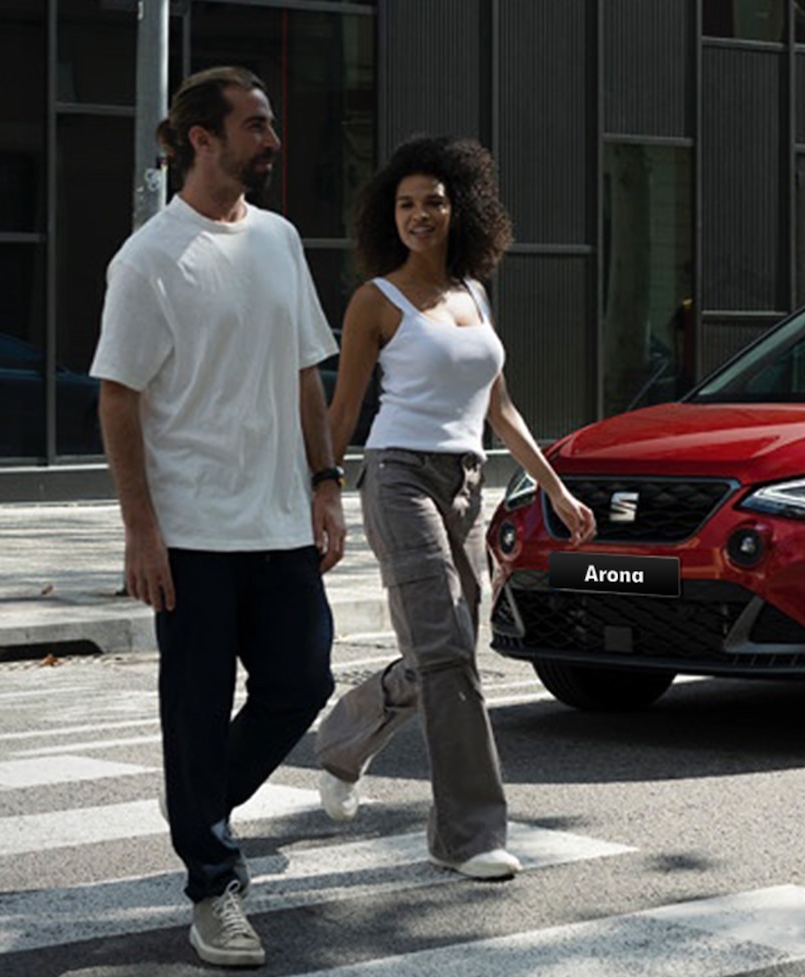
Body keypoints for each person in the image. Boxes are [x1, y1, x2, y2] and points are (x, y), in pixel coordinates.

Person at [92, 64, 346, 970]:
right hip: (193, 533)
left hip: (279, 520)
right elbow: (118, 399)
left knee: (301, 681)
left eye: (270, 124)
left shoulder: (279, 240)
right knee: (194, 712)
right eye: (256, 124)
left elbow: (304, 370)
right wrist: (140, 529)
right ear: (203, 138)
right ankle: (213, 883)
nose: (272, 139)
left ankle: (196, 801)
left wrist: (325, 480)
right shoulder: (150, 260)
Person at [308, 134, 590, 884]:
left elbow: (501, 407)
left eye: (432, 200)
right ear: (388, 217)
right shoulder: (377, 299)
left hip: (467, 482)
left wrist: (554, 486)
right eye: (404, 204)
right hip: (398, 479)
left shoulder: (473, 294)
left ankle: (340, 742)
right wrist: (320, 490)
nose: (419, 214)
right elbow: (342, 409)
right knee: (444, 651)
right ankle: (467, 834)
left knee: (450, 649)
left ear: (460, 206)